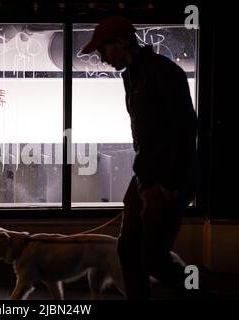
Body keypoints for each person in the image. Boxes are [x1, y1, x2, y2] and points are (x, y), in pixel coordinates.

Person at [82, 16, 199, 300]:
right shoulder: (134, 76)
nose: (102, 58)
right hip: (146, 176)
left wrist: (169, 183)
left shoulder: (162, 73)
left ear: (121, 43)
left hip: (165, 179)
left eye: (104, 50)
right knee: (129, 251)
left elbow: (185, 128)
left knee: (152, 258)